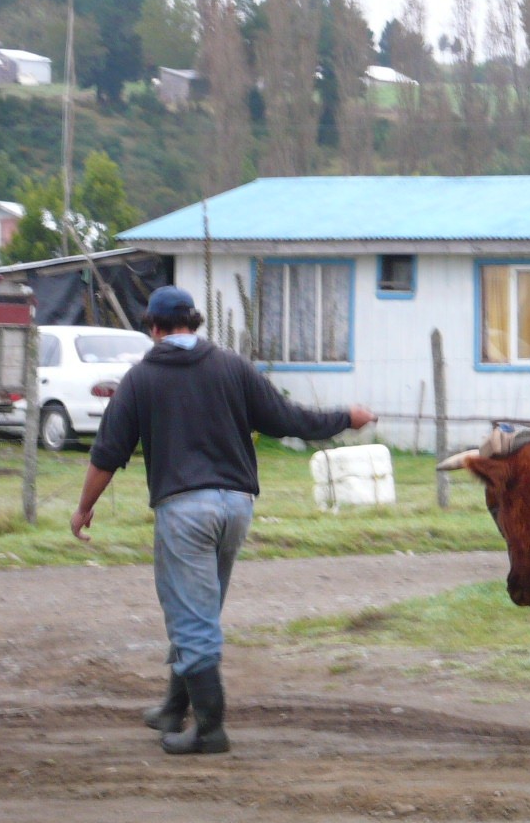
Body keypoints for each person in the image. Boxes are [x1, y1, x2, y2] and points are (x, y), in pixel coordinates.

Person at [71, 285, 375, 754]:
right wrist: (345, 417)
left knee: (190, 612)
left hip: (185, 508)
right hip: (237, 505)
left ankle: (211, 728)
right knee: (199, 608)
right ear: (195, 323)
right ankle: (175, 707)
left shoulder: (141, 379)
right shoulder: (232, 367)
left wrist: (85, 506)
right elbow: (286, 419)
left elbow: (108, 453)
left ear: (153, 328)